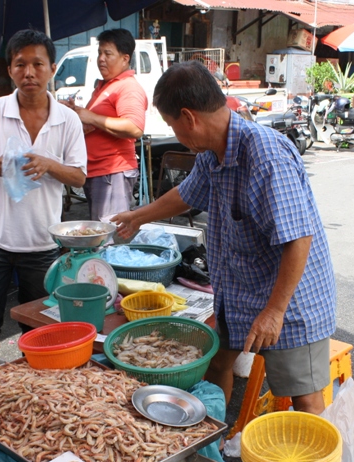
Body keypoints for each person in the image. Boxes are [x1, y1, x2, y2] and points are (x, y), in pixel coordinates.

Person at [113, 62, 336, 414]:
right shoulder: (211, 153)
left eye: (172, 125)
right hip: (238, 292)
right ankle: (212, 438)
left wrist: (274, 312)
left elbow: (298, 240)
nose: (175, 132)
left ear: (188, 117)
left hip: (289, 300)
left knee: (302, 393)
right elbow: (187, 194)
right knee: (217, 364)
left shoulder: (266, 155)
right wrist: (137, 217)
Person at [0, 29, 87, 354]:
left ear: (53, 68)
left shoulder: (68, 120)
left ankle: (38, 394)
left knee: (41, 330)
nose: (28, 72)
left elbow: (79, 177)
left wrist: (48, 164)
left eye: (37, 64)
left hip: (43, 244)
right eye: (20, 64)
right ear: (9, 69)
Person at [61, 29, 146, 221]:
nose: (101, 59)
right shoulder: (105, 86)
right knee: (101, 233)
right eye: (100, 53)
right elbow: (95, 125)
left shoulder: (127, 87)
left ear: (125, 59)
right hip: (98, 172)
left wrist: (90, 117)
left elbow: (135, 127)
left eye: (108, 54)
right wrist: (76, 113)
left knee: (109, 237)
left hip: (112, 172)